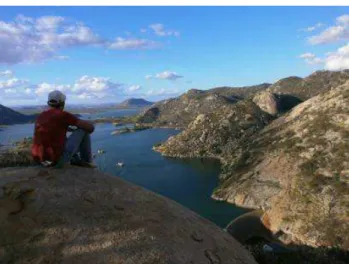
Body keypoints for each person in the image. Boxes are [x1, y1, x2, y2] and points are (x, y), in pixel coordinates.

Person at [32, 90, 96, 168]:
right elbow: (90, 128)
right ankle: (87, 162)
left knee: (60, 138)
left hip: (40, 161)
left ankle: (75, 159)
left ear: (48, 103)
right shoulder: (63, 115)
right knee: (83, 130)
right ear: (63, 103)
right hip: (56, 162)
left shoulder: (41, 116)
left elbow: (54, 129)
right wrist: (81, 126)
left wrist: (67, 128)